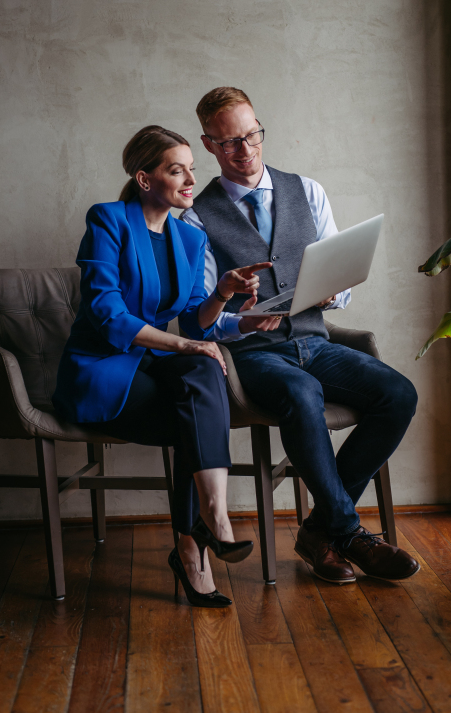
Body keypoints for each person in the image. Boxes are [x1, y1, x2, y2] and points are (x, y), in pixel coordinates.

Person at [181, 88, 420, 584]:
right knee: (301, 392)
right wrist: (239, 316)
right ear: (209, 145)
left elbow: (342, 286)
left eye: (251, 136)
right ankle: (351, 534)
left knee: (398, 393)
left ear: (259, 129)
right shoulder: (195, 217)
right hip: (252, 357)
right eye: (229, 143)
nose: (244, 151)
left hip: (315, 341)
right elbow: (198, 319)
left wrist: (330, 295)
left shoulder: (307, 190)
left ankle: (320, 531)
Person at [53, 125, 272, 607]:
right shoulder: (108, 220)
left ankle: (208, 524)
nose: (192, 179)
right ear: (145, 178)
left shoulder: (190, 240)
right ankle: (196, 540)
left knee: (203, 370)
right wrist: (183, 345)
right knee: (192, 404)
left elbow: (196, 322)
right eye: (177, 170)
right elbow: (107, 313)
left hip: (154, 361)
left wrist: (223, 294)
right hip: (103, 365)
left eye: (193, 168)